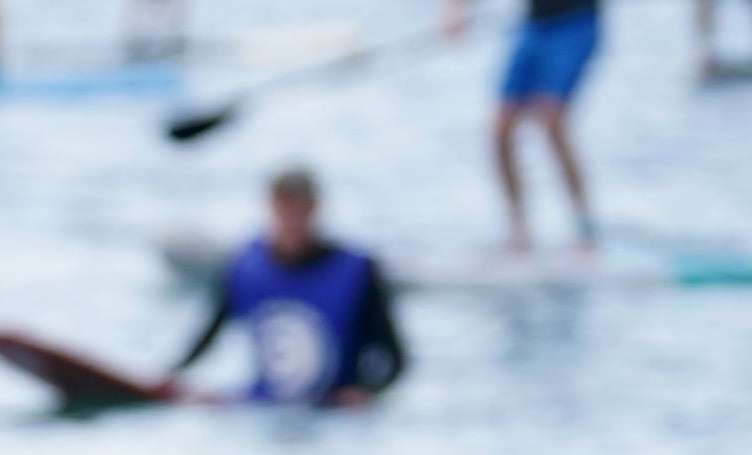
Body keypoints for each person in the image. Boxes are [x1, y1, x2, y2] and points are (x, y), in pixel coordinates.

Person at [171, 167, 405, 408]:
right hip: (265, 405)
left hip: (330, 407)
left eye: (299, 211)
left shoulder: (357, 272)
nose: (292, 221)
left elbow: (395, 358)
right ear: (271, 209)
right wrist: (172, 376)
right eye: (285, 210)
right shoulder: (244, 268)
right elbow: (208, 337)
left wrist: (366, 391)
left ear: (314, 209)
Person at [444, 0, 598, 250]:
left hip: (577, 25)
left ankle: (584, 231)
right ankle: (519, 232)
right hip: (533, 27)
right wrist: (455, 9)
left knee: (550, 120)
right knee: (500, 128)